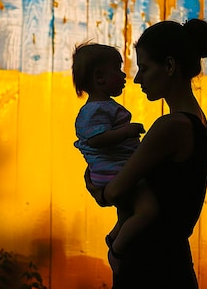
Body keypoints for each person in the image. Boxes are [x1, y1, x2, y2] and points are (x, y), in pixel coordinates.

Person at [84, 19, 207, 288]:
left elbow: (115, 192)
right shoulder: (198, 120)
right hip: (172, 262)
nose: (137, 78)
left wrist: (96, 186)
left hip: (150, 267)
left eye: (144, 68)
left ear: (169, 66)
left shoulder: (171, 126)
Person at [71, 43, 157, 273]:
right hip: (114, 172)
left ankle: (115, 236)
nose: (125, 75)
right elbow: (96, 139)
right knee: (148, 210)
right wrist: (126, 132)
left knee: (128, 212)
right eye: (118, 70)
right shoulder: (95, 109)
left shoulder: (104, 107)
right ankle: (118, 250)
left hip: (113, 171)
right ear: (99, 77)